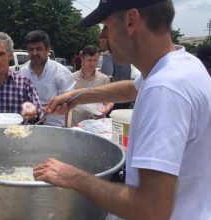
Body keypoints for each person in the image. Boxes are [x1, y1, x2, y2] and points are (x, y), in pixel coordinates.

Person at [33, 0, 211, 219]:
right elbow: (132, 88)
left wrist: (74, 178)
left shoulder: (165, 89)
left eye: (106, 27)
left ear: (130, 21)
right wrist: (76, 97)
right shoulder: (183, 64)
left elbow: (152, 209)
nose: (103, 40)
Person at [21, 30, 75, 127]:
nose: (34, 53)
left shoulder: (61, 72)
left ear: (47, 49)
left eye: (38, 49)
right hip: (27, 128)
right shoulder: (22, 73)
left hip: (55, 128)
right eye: (31, 49)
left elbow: (69, 102)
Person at [71, 45, 112, 126]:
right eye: (89, 60)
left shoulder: (104, 79)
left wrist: (106, 110)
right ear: (82, 59)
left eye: (95, 60)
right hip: (77, 125)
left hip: (98, 125)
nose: (92, 63)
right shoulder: (72, 78)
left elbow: (109, 101)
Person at [99, 36, 132, 110]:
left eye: (101, 41)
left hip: (114, 97)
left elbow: (107, 76)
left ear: (106, 41)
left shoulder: (107, 54)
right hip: (127, 96)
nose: (100, 44)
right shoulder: (125, 54)